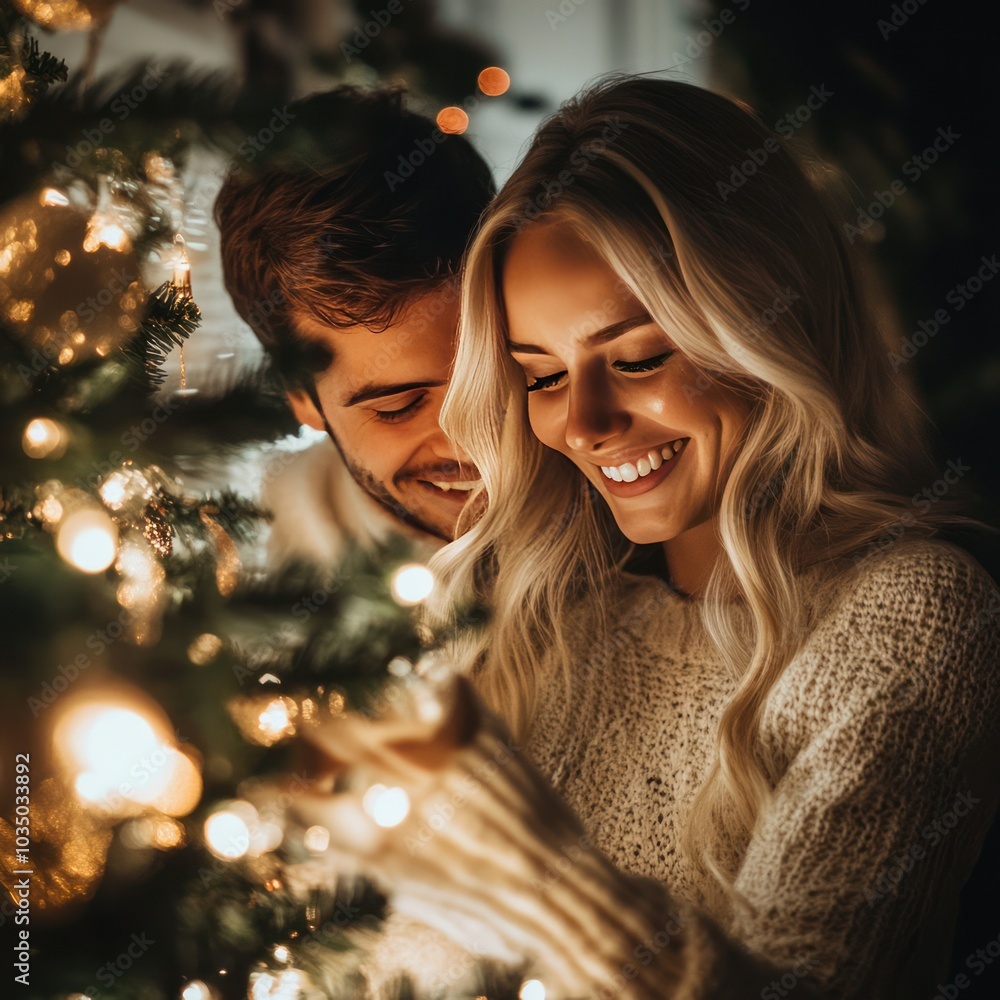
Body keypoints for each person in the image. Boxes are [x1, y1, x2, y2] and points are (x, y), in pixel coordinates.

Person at [296, 76, 1000, 1000]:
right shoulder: (550, 631)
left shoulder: (915, 619)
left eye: (636, 359)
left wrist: (531, 872)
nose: (583, 422)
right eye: (540, 377)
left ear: (767, 323)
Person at [214, 84, 494, 566]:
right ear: (302, 397)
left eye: (490, 374)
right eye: (399, 406)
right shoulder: (244, 572)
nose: (472, 437)